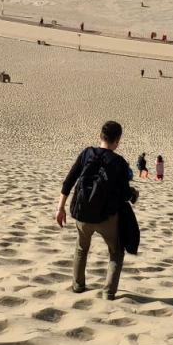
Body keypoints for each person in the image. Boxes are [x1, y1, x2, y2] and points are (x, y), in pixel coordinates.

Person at [56, 120, 133, 301]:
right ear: (118, 140)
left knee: (82, 248)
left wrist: (60, 208)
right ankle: (108, 292)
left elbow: (69, 181)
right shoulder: (119, 162)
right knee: (116, 252)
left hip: (82, 214)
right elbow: (124, 193)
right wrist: (133, 195)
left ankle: (78, 285)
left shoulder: (86, 154)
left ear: (101, 136)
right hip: (106, 218)